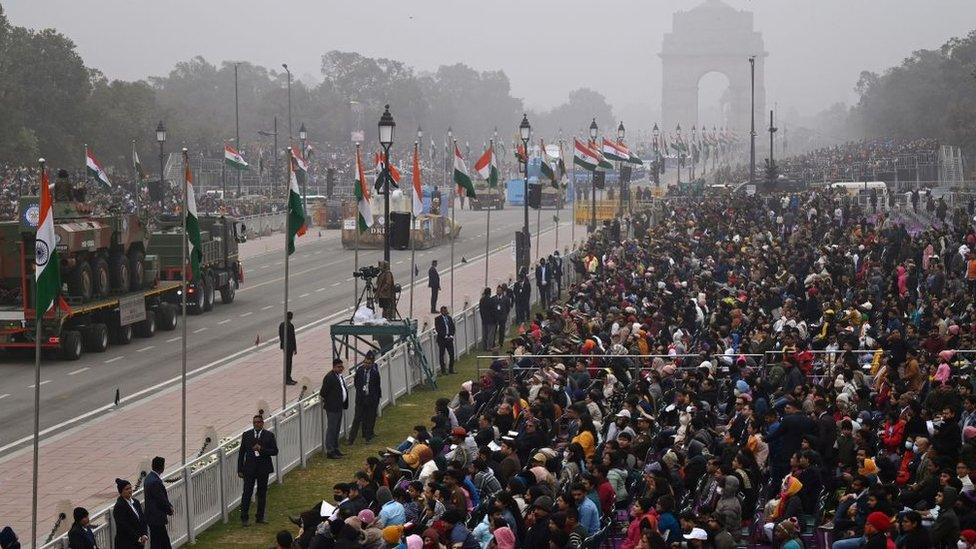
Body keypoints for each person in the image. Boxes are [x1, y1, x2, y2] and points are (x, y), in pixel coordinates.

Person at [237, 414, 278, 526]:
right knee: (247, 493)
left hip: (263, 469)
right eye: (255, 422)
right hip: (249, 469)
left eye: (259, 422)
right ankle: (244, 518)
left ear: (262, 423)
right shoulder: (247, 435)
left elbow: (275, 451)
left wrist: (262, 449)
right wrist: (240, 469)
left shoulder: (269, 435)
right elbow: (241, 453)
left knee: (262, 493)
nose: (257, 424)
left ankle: (260, 517)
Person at [349, 350, 381, 444]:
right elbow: (356, 383)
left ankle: (368, 437)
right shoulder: (360, 370)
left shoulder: (375, 373)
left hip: (371, 398)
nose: (367, 364)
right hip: (361, 398)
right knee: (357, 418)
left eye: (369, 363)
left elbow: (377, 386)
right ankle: (351, 439)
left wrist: (376, 398)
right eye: (365, 362)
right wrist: (361, 392)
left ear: (372, 363)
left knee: (370, 418)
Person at [320, 357, 348, 459]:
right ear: (334, 367)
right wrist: (331, 400)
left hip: (339, 407)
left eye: (342, 366)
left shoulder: (339, 376)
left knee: (336, 429)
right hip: (332, 408)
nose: (341, 368)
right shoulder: (329, 377)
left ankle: (335, 448)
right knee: (331, 429)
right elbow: (323, 392)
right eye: (339, 367)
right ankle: (330, 450)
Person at [143, 456, 173, 549]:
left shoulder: (149, 478)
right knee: (162, 542)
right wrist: (169, 509)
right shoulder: (155, 481)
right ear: (162, 467)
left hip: (152, 517)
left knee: (157, 541)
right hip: (157, 517)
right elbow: (161, 500)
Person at [112, 478, 148, 549]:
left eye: (130, 488)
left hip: (139, 542)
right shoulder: (119, 506)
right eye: (126, 489)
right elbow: (124, 526)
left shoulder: (136, 502)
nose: (130, 491)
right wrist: (138, 538)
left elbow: (142, 519)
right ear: (121, 492)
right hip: (126, 543)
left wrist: (144, 534)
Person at [435, 306, 456, 375]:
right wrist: (445, 336)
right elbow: (438, 329)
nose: (445, 312)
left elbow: (453, 328)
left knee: (452, 354)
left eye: (446, 311)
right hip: (442, 339)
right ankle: (443, 370)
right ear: (441, 312)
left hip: (449, 339)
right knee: (442, 355)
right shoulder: (438, 319)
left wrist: (451, 335)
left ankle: (451, 369)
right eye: (444, 311)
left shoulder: (449, 318)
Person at [279, 311, 297, 385]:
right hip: (289, 347)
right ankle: (287, 379)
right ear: (291, 317)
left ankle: (288, 378)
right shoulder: (290, 325)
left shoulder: (281, 325)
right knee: (288, 363)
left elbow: (280, 336)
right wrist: (295, 348)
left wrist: (283, 344)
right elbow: (293, 337)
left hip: (285, 346)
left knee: (287, 362)